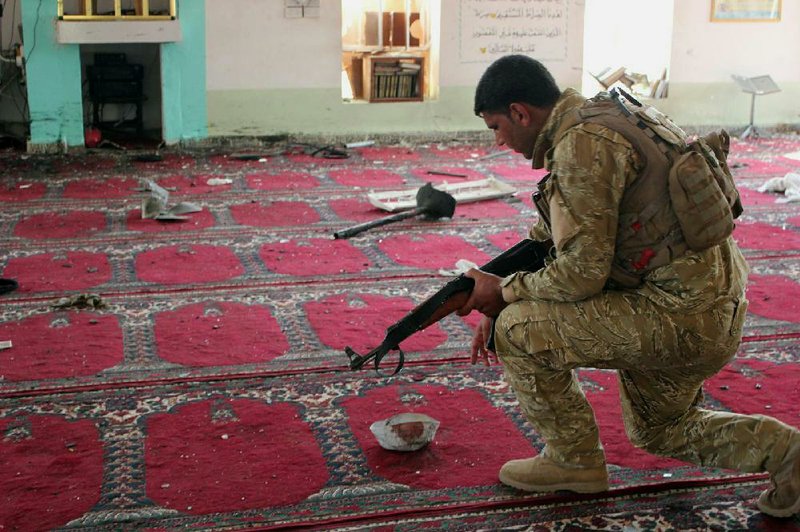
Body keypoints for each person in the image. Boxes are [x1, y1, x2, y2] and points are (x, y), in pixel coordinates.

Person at [457, 54, 800, 518]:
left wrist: (505, 295)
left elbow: (580, 272)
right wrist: (497, 286)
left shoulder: (581, 143)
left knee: (517, 328)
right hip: (714, 307)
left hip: (681, 315)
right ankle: (789, 455)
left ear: (521, 113)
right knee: (660, 429)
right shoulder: (610, 113)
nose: (498, 140)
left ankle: (571, 460)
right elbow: (560, 239)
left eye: (496, 126)